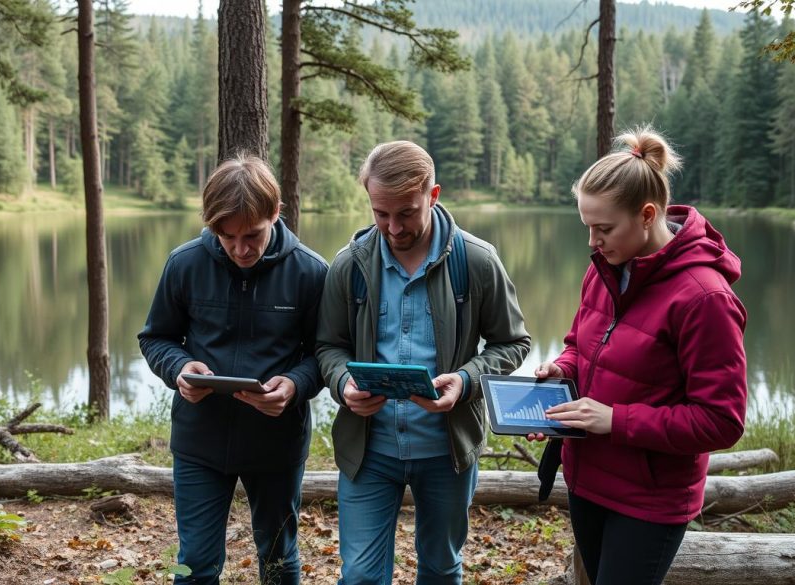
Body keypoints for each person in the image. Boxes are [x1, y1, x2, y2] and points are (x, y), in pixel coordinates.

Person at [531, 127, 748, 585]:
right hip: (588, 479)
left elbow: (722, 420)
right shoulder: (605, 269)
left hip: (649, 501)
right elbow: (580, 346)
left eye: (604, 228)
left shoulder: (704, 299)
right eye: (587, 226)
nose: (592, 241)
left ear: (647, 214)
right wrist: (561, 372)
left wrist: (615, 419)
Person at [316, 140, 531, 585]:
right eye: (381, 213)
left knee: (441, 569)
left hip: (445, 451)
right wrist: (343, 385)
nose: (393, 227)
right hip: (369, 451)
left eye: (406, 213)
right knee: (358, 576)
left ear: (433, 195)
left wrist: (467, 381)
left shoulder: (476, 260)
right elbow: (327, 347)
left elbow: (513, 343)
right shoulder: (350, 265)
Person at [138, 154, 328, 585]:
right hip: (199, 442)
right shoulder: (184, 264)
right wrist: (181, 368)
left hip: (276, 443)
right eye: (227, 238)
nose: (241, 249)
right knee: (196, 563)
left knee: (279, 558)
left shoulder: (310, 272)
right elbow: (156, 338)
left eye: (252, 235)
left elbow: (325, 354)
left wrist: (295, 385)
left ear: (275, 213)